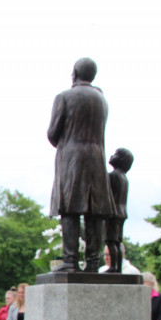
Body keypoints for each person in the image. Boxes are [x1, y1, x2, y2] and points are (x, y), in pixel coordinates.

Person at [47, 57, 114, 272]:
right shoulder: (102, 99)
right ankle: (93, 261)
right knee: (94, 212)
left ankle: (70, 260)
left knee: (70, 209)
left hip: (72, 158)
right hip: (96, 157)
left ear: (75, 72)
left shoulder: (64, 97)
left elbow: (52, 133)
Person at [103, 148, 134, 274]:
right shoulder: (124, 178)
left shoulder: (113, 176)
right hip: (121, 212)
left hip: (113, 212)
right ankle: (117, 267)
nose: (111, 155)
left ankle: (114, 267)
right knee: (117, 241)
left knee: (111, 240)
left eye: (115, 154)